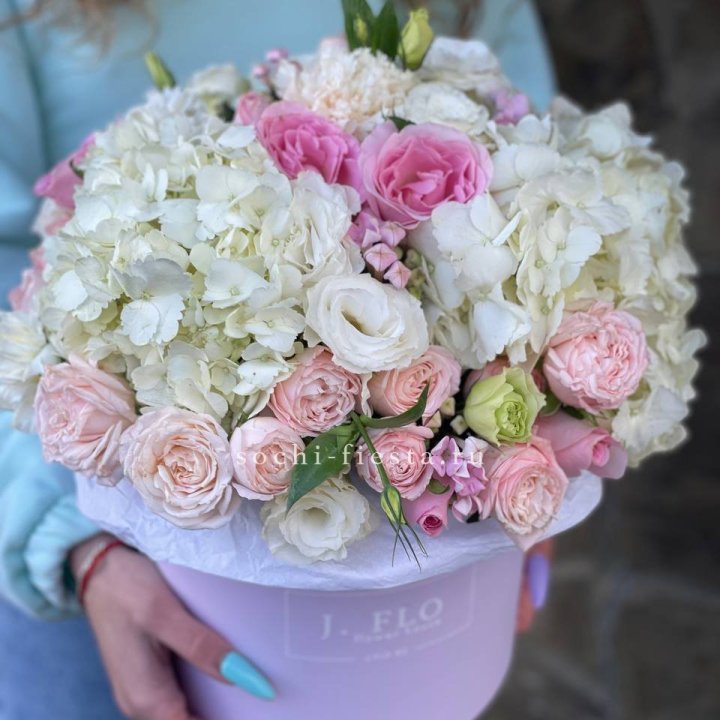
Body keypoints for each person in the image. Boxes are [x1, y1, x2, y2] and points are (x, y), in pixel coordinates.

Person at [0, 1, 556, 718]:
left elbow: (531, 177)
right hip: (103, 564)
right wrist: (69, 540)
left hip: (424, 595)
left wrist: (531, 464)